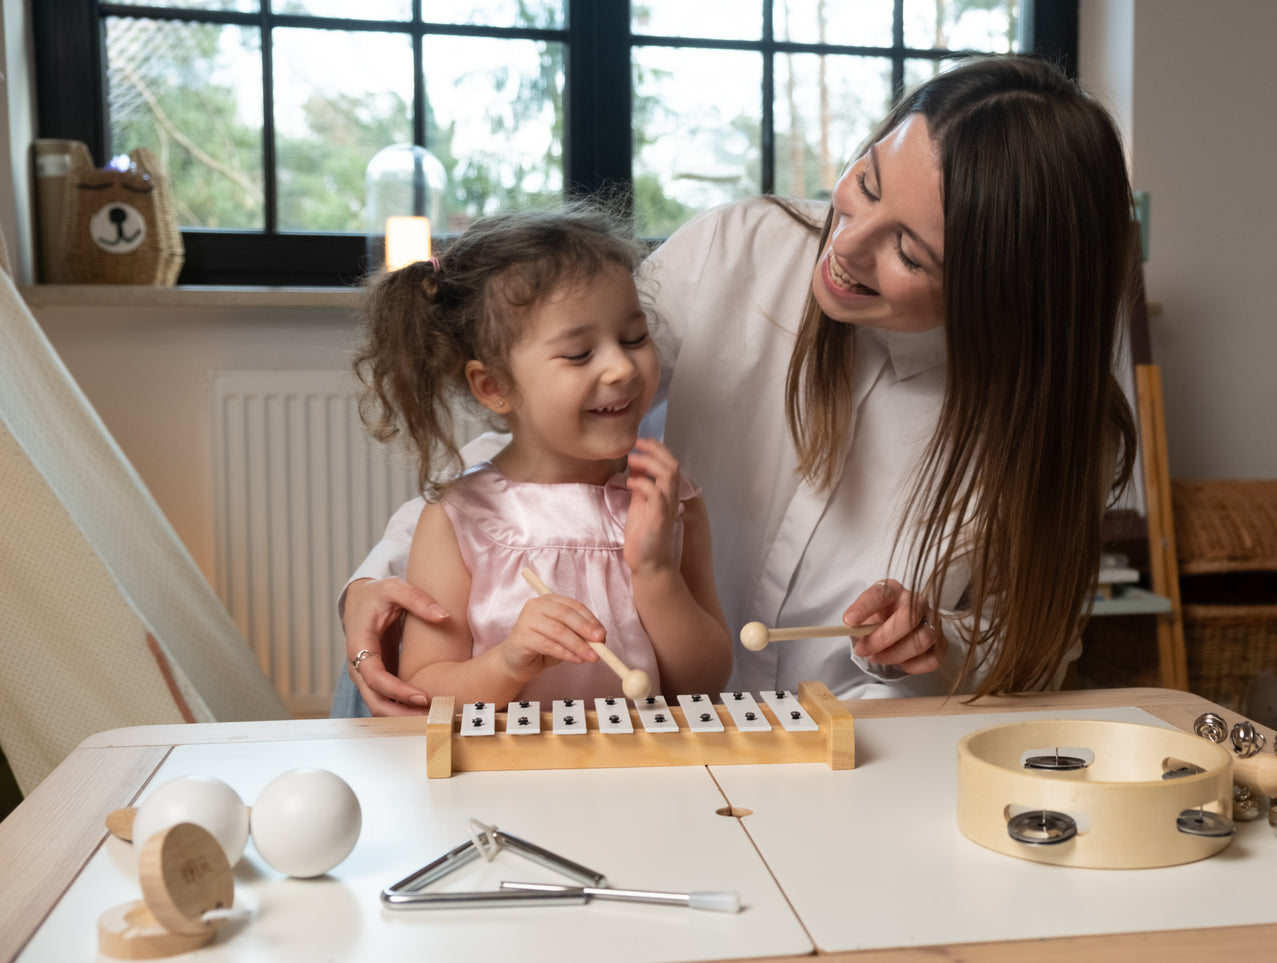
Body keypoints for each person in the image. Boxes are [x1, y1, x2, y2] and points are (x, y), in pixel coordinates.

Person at [335, 54, 1137, 717]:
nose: (847, 245)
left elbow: (1027, 645)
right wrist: (378, 573)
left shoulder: (1053, 426)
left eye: (910, 253)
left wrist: (939, 638)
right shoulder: (741, 249)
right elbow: (544, 421)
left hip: (843, 750)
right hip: (651, 731)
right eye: (863, 184)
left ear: (1005, 289)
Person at [348, 207, 731, 705]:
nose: (620, 367)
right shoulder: (458, 520)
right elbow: (424, 687)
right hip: (507, 778)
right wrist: (508, 662)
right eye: (578, 354)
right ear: (494, 386)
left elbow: (704, 684)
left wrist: (655, 574)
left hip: (642, 773)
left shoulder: (671, 498)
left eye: (634, 338)